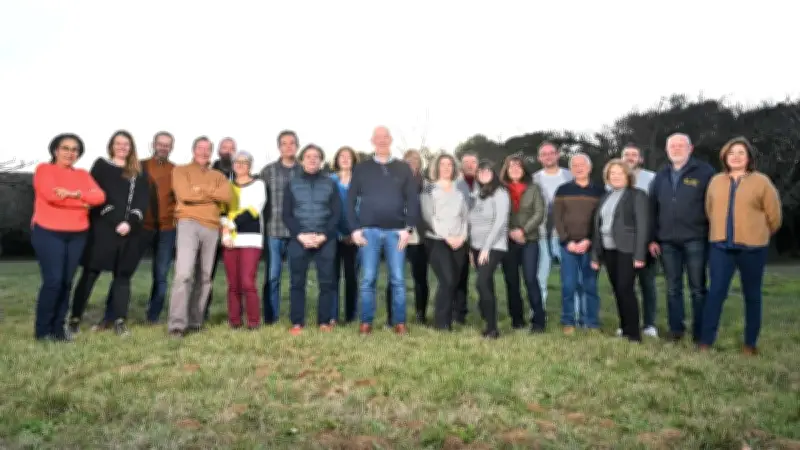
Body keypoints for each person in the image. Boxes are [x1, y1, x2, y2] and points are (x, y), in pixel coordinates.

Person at [699, 137, 782, 355]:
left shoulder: (761, 181)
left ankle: (750, 343)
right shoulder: (716, 181)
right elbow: (710, 210)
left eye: (741, 153)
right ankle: (706, 340)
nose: (736, 157)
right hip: (720, 247)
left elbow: (774, 216)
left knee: (752, 295)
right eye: (731, 153)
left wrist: (759, 232)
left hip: (752, 248)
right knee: (715, 292)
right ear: (725, 157)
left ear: (749, 158)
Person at [69, 130, 150, 337]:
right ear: (111, 145)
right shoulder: (101, 166)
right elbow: (94, 194)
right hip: (103, 229)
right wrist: (115, 220)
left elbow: (142, 200)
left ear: (131, 147)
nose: (122, 147)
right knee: (90, 273)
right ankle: (74, 319)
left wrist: (130, 222)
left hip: (129, 231)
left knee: (122, 277)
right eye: (118, 143)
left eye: (126, 144)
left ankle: (119, 320)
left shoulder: (138, 171)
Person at [31, 134, 105, 341]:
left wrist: (72, 195)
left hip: (78, 233)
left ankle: (58, 328)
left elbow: (99, 197)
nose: (70, 153)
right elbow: (51, 195)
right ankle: (43, 330)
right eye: (65, 148)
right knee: (53, 281)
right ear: (55, 150)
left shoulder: (82, 174)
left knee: (66, 282)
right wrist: (83, 201)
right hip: (49, 231)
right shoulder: (44, 170)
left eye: (75, 150)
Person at [347, 126, 420, 335]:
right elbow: (351, 201)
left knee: (397, 279)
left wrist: (408, 229)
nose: (381, 141)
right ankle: (366, 322)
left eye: (385, 137)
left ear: (391, 140)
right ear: (372, 141)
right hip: (368, 231)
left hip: (396, 232)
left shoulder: (403, 168)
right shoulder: (361, 169)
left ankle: (400, 323)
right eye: (377, 138)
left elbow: (412, 200)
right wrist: (354, 230)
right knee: (368, 278)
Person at [649, 133, 715, 342]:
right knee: (673, 287)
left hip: (696, 237)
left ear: (690, 148)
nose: (676, 149)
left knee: (697, 288)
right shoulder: (660, 176)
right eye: (672, 146)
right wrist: (652, 238)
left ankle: (700, 331)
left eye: (680, 145)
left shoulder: (705, 172)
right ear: (667, 150)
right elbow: (652, 208)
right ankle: (676, 329)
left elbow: (713, 205)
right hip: (667, 241)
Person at [167, 136, 232, 338]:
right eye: (200, 148)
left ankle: (196, 320)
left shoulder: (218, 175)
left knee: (205, 277)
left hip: (212, 227)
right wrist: (211, 195)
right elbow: (185, 195)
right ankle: (177, 324)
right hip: (188, 223)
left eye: (208, 149)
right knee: (184, 274)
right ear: (193, 150)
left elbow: (227, 197)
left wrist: (200, 191)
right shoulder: (180, 170)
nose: (204, 152)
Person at [282, 144, 341, 334]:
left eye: (316, 156)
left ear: (321, 160)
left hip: (325, 239)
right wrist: (300, 235)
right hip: (299, 238)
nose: (312, 159)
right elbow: (287, 215)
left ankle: (324, 321)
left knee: (327, 282)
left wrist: (324, 235)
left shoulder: (330, 184)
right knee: (297, 282)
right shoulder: (292, 183)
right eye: (308, 156)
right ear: (302, 160)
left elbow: (336, 214)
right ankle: (297, 323)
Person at [591, 159, 650, 342]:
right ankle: (624, 328)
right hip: (609, 250)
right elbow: (598, 227)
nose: (616, 177)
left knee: (626, 289)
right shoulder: (606, 197)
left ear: (628, 175)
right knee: (617, 289)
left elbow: (643, 226)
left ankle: (633, 334)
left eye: (619, 173)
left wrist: (640, 254)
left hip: (628, 250)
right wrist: (596, 255)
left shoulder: (637, 195)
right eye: (612, 174)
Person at [553, 152, 605, 334]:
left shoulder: (599, 191)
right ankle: (568, 320)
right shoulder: (562, 190)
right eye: (574, 165)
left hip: (590, 246)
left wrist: (589, 241)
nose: (578, 168)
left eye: (582, 164)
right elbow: (557, 218)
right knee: (569, 285)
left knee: (589, 285)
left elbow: (601, 220)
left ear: (589, 168)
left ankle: (590, 321)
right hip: (568, 246)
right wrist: (567, 241)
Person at [420, 154, 469, 331]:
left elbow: (465, 217)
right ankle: (442, 323)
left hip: (459, 242)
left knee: (453, 281)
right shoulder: (429, 190)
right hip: (437, 241)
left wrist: (462, 236)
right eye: (443, 164)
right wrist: (447, 236)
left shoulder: (459, 191)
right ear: (436, 168)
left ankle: (447, 317)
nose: (446, 168)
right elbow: (428, 217)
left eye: (450, 165)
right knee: (447, 279)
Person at [220, 150, 266, 330]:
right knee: (233, 283)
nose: (240, 165)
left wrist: (231, 224)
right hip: (230, 239)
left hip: (251, 238)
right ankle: (234, 321)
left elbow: (254, 209)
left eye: (244, 162)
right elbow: (221, 211)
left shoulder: (259, 184)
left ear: (250, 165)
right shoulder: (226, 185)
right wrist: (225, 234)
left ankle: (253, 322)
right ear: (233, 165)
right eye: (237, 161)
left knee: (247, 281)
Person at [259, 130, 302, 324]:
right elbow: (260, 200)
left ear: (297, 146)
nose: (288, 147)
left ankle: (296, 316)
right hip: (273, 230)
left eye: (292, 143)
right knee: (273, 276)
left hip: (297, 233)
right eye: (284, 143)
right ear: (279, 147)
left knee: (296, 276)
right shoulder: (268, 171)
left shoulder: (303, 171)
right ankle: (271, 316)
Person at [500, 155, 547, 332]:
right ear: (506, 169)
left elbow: (539, 212)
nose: (514, 169)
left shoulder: (534, 188)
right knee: (512, 281)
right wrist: (510, 232)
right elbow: (497, 213)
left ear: (524, 169)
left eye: (518, 166)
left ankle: (539, 320)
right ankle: (517, 319)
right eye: (511, 166)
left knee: (530, 279)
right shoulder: (501, 189)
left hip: (529, 240)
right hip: (507, 240)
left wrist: (523, 231)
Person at [618, 143, 658, 338]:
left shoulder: (652, 178)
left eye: (634, 155)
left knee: (647, 284)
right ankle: (625, 322)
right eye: (626, 154)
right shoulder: (614, 179)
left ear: (640, 159)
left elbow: (657, 211)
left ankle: (649, 324)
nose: (630, 158)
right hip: (623, 242)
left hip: (646, 239)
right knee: (624, 285)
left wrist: (653, 239)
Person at [386, 149, 429, 324]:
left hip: (418, 237)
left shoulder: (426, 185)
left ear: (420, 165)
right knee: (394, 278)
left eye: (416, 161)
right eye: (408, 161)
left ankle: (421, 315)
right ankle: (392, 317)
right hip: (397, 236)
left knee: (420, 277)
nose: (412, 164)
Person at [468, 160, 509, 339]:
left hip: (494, 246)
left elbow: (500, 222)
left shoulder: (500, 193)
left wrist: (486, 248)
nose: (483, 174)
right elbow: (471, 222)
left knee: (481, 282)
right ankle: (489, 320)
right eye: (480, 172)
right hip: (477, 246)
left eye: (487, 171)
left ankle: (492, 329)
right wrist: (472, 248)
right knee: (487, 285)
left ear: (493, 173)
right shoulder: (477, 194)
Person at [140, 131, 177, 324]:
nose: (163, 147)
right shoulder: (140, 166)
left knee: (161, 274)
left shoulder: (176, 170)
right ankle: (113, 314)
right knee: (124, 271)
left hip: (167, 228)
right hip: (142, 227)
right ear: (153, 144)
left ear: (171, 147)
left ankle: (153, 316)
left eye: (167, 144)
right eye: (160, 144)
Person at [532, 141, 574, 308]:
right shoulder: (534, 179)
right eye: (544, 154)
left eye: (551, 153)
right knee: (540, 276)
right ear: (539, 158)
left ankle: (574, 314)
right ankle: (538, 313)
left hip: (565, 233)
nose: (548, 156)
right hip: (541, 234)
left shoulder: (569, 176)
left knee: (570, 277)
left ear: (557, 155)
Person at [205, 137, 237, 320]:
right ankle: (202, 311)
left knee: (234, 275)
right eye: (225, 147)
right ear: (218, 150)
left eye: (232, 148)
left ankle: (235, 314)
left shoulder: (240, 173)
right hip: (211, 227)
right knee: (206, 273)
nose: (228, 150)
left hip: (232, 229)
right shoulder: (209, 172)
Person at [329, 146, 360, 324]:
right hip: (333, 235)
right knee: (332, 277)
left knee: (352, 277)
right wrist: (339, 233)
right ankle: (332, 316)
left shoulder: (360, 182)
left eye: (349, 156)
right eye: (342, 156)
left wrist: (352, 232)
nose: (345, 159)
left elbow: (362, 208)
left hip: (354, 236)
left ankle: (350, 316)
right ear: (337, 160)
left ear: (354, 160)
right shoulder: (330, 181)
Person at [454, 151, 478, 323]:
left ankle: (487, 311)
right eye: (466, 162)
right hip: (460, 237)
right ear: (461, 165)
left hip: (481, 238)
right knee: (459, 277)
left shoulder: (485, 184)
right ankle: (459, 313)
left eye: (473, 162)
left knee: (484, 277)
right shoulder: (455, 185)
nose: (470, 165)